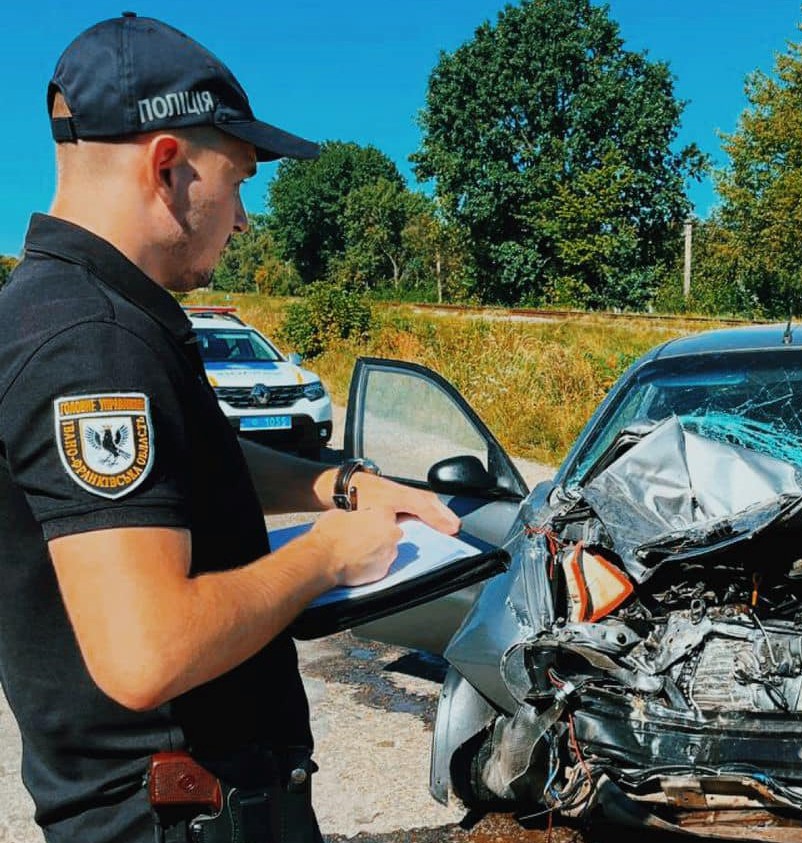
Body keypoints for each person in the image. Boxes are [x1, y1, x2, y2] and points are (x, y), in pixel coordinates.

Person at [0, 14, 460, 843]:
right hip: (175, 820)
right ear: (168, 165)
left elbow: (185, 461)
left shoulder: (83, 312)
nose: (244, 219)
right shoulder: (91, 344)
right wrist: (328, 554)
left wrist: (331, 482)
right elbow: (147, 652)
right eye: (239, 180)